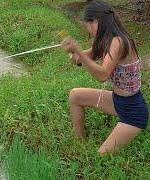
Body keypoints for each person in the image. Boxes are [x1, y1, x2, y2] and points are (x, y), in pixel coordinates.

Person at [61, 0, 149, 154]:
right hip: (117, 101)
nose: (89, 30)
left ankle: (131, 127)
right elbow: (86, 56)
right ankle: (79, 143)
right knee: (75, 95)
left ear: (95, 21)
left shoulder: (119, 41)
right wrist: (76, 55)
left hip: (133, 112)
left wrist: (79, 53)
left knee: (101, 155)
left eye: (87, 25)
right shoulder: (106, 40)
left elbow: (102, 75)